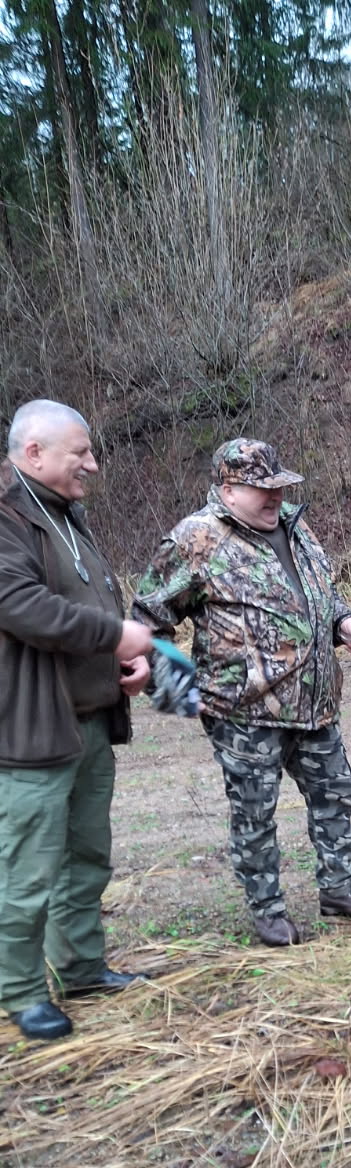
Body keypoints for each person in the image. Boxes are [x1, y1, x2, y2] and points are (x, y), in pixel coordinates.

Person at [133, 439, 351, 947]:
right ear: (227, 490)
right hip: (244, 714)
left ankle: (339, 889)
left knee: (334, 796)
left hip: (315, 703)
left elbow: (321, 592)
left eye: (279, 487)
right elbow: (147, 618)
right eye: (261, 489)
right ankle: (268, 910)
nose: (275, 497)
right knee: (255, 814)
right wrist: (178, 690)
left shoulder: (294, 525)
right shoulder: (196, 539)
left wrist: (343, 621)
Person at [0, 400, 154, 1040]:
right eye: (80, 453)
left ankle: (82, 967)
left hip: (89, 722)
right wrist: (114, 634)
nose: (92, 463)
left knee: (87, 856)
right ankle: (20, 992)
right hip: (32, 732)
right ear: (34, 453)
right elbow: (23, 607)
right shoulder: (7, 518)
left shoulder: (65, 513)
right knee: (28, 868)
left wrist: (125, 664)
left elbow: (88, 598)